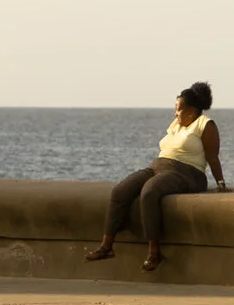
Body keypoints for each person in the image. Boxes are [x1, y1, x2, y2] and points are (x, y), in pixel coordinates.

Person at [87, 82, 226, 272]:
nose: (175, 114)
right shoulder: (176, 125)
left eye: (178, 109)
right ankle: (106, 246)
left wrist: (220, 183)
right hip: (158, 166)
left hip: (187, 172)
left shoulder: (205, 124)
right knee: (121, 191)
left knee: (149, 192)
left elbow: (212, 157)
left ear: (192, 111)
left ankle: (154, 252)